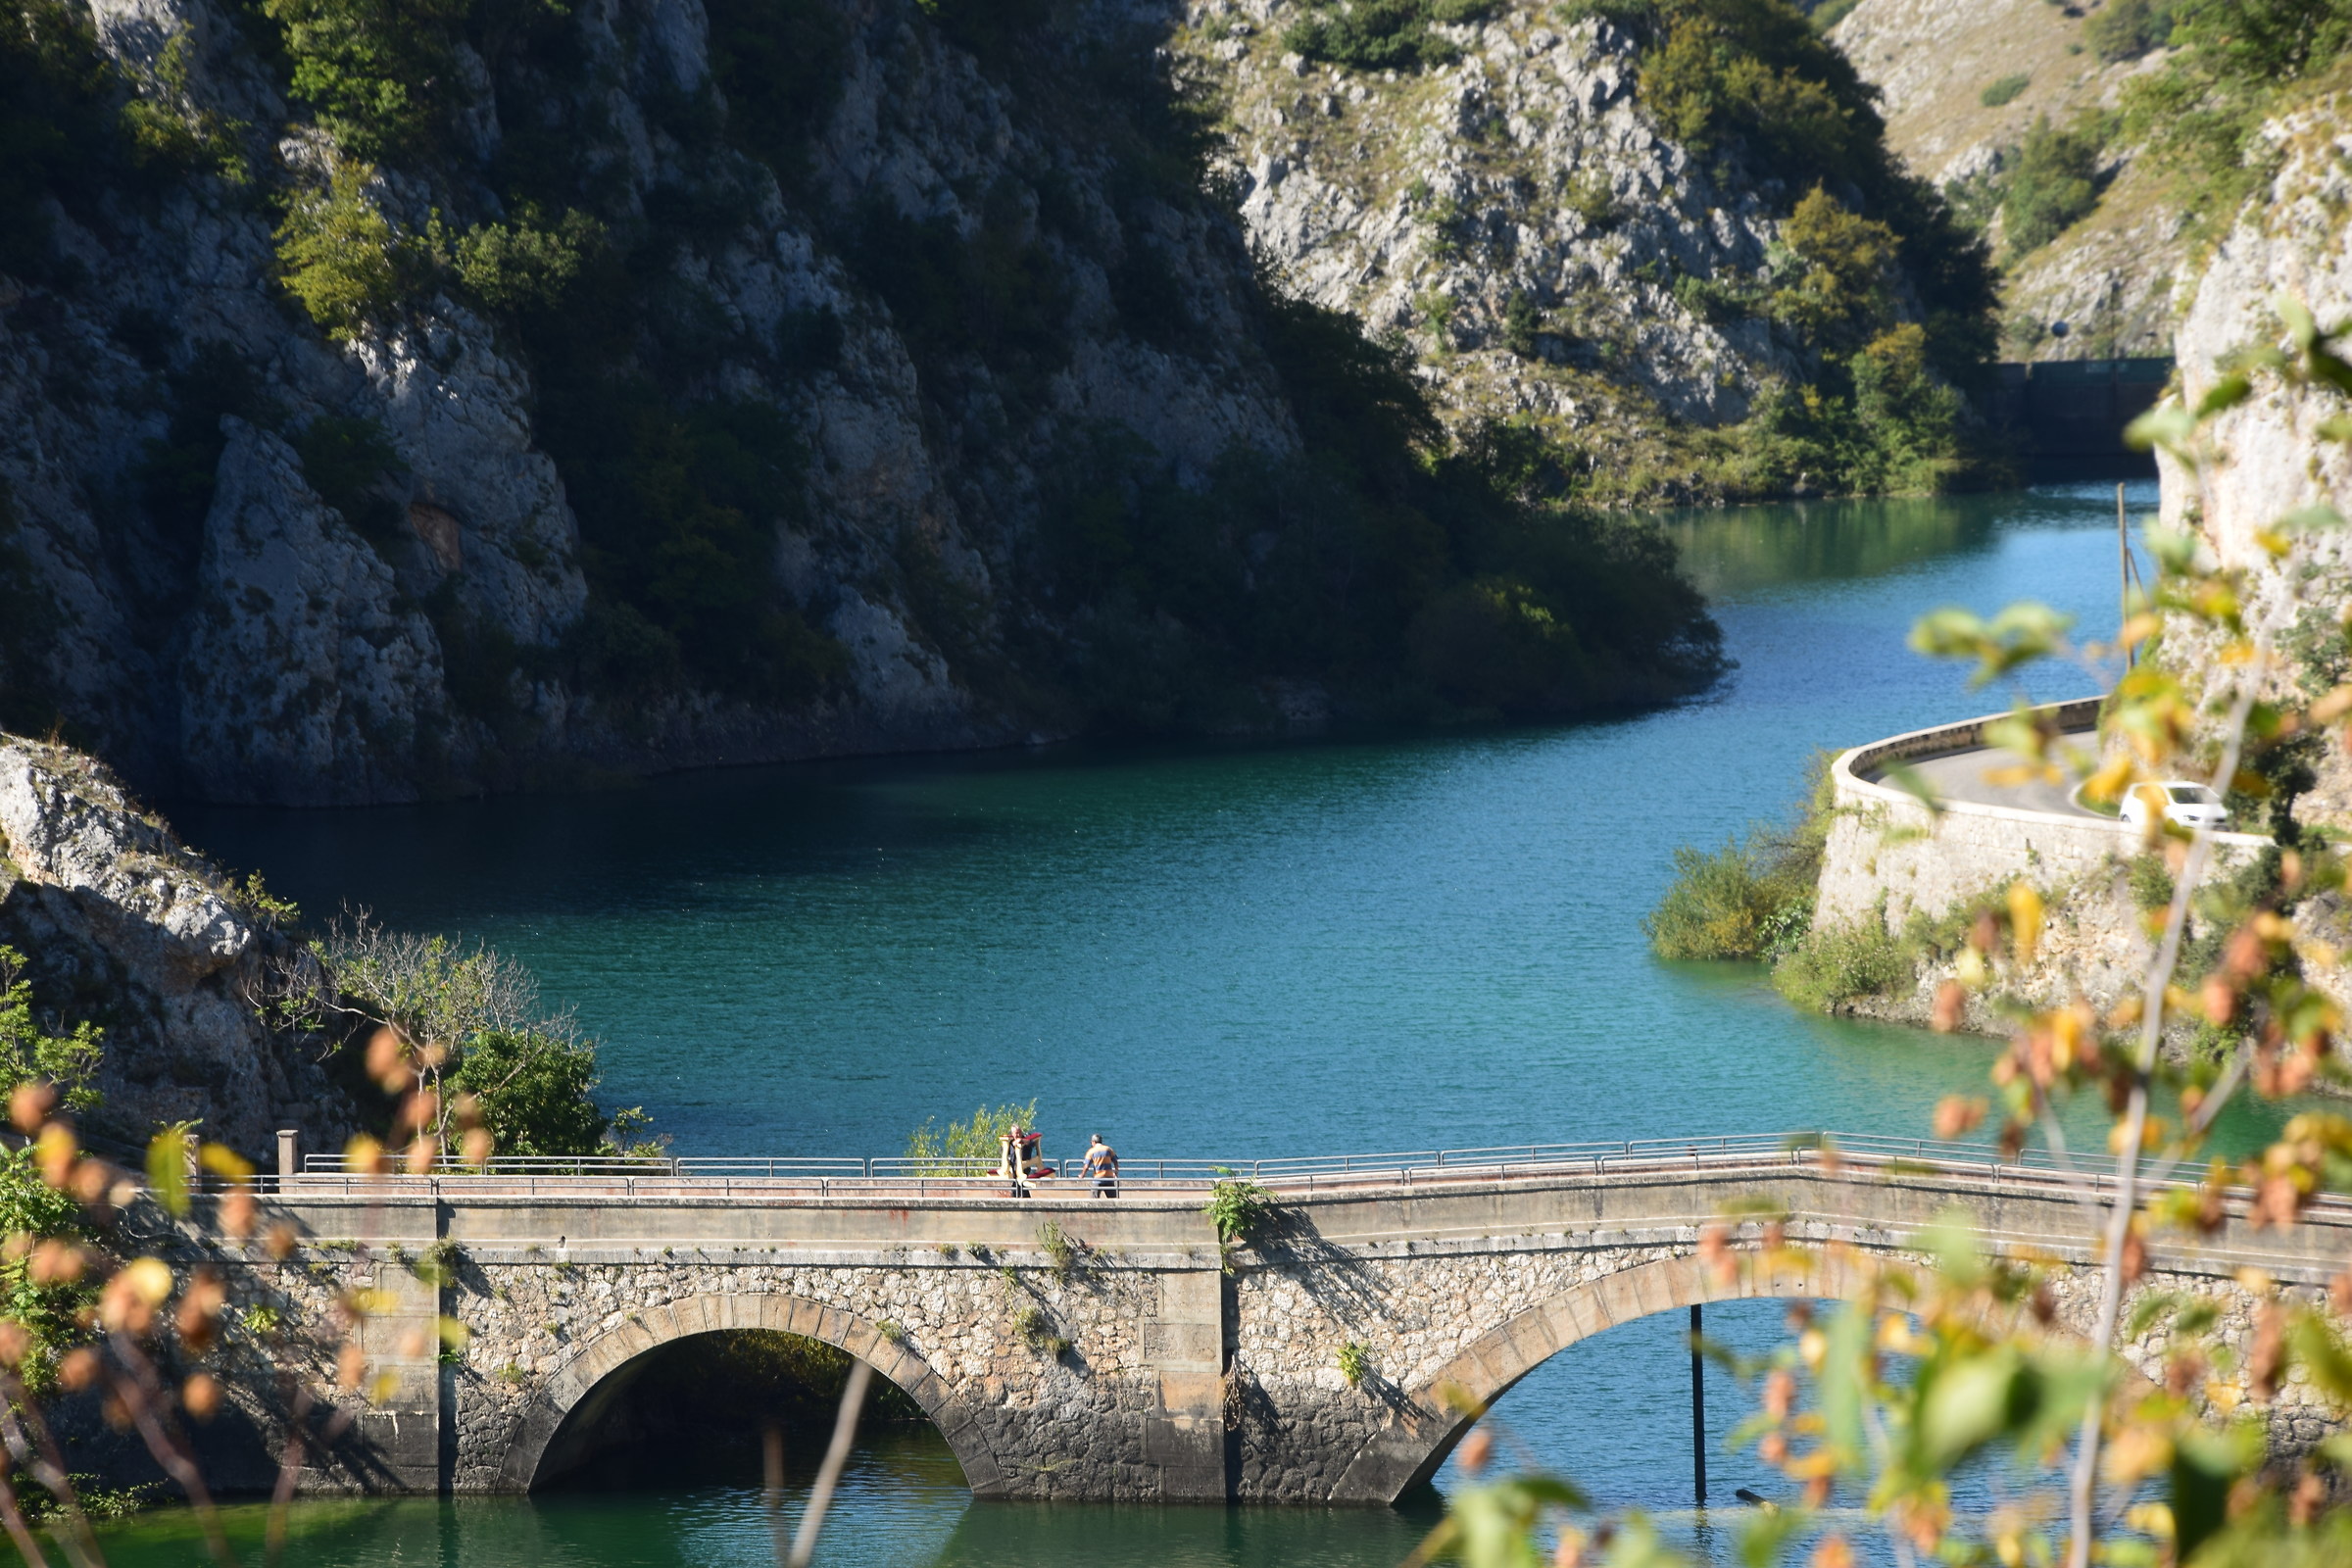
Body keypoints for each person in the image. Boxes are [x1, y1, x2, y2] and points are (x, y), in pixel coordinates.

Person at [1082, 1133, 1118, 1199]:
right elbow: (1115, 1161)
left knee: (1094, 1200)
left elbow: (1086, 1167)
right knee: (1113, 1200)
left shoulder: (1091, 1151)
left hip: (1098, 1178)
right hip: (1109, 1178)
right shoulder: (1108, 1149)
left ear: (1093, 1142)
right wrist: (1116, 1171)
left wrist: (1082, 1175)